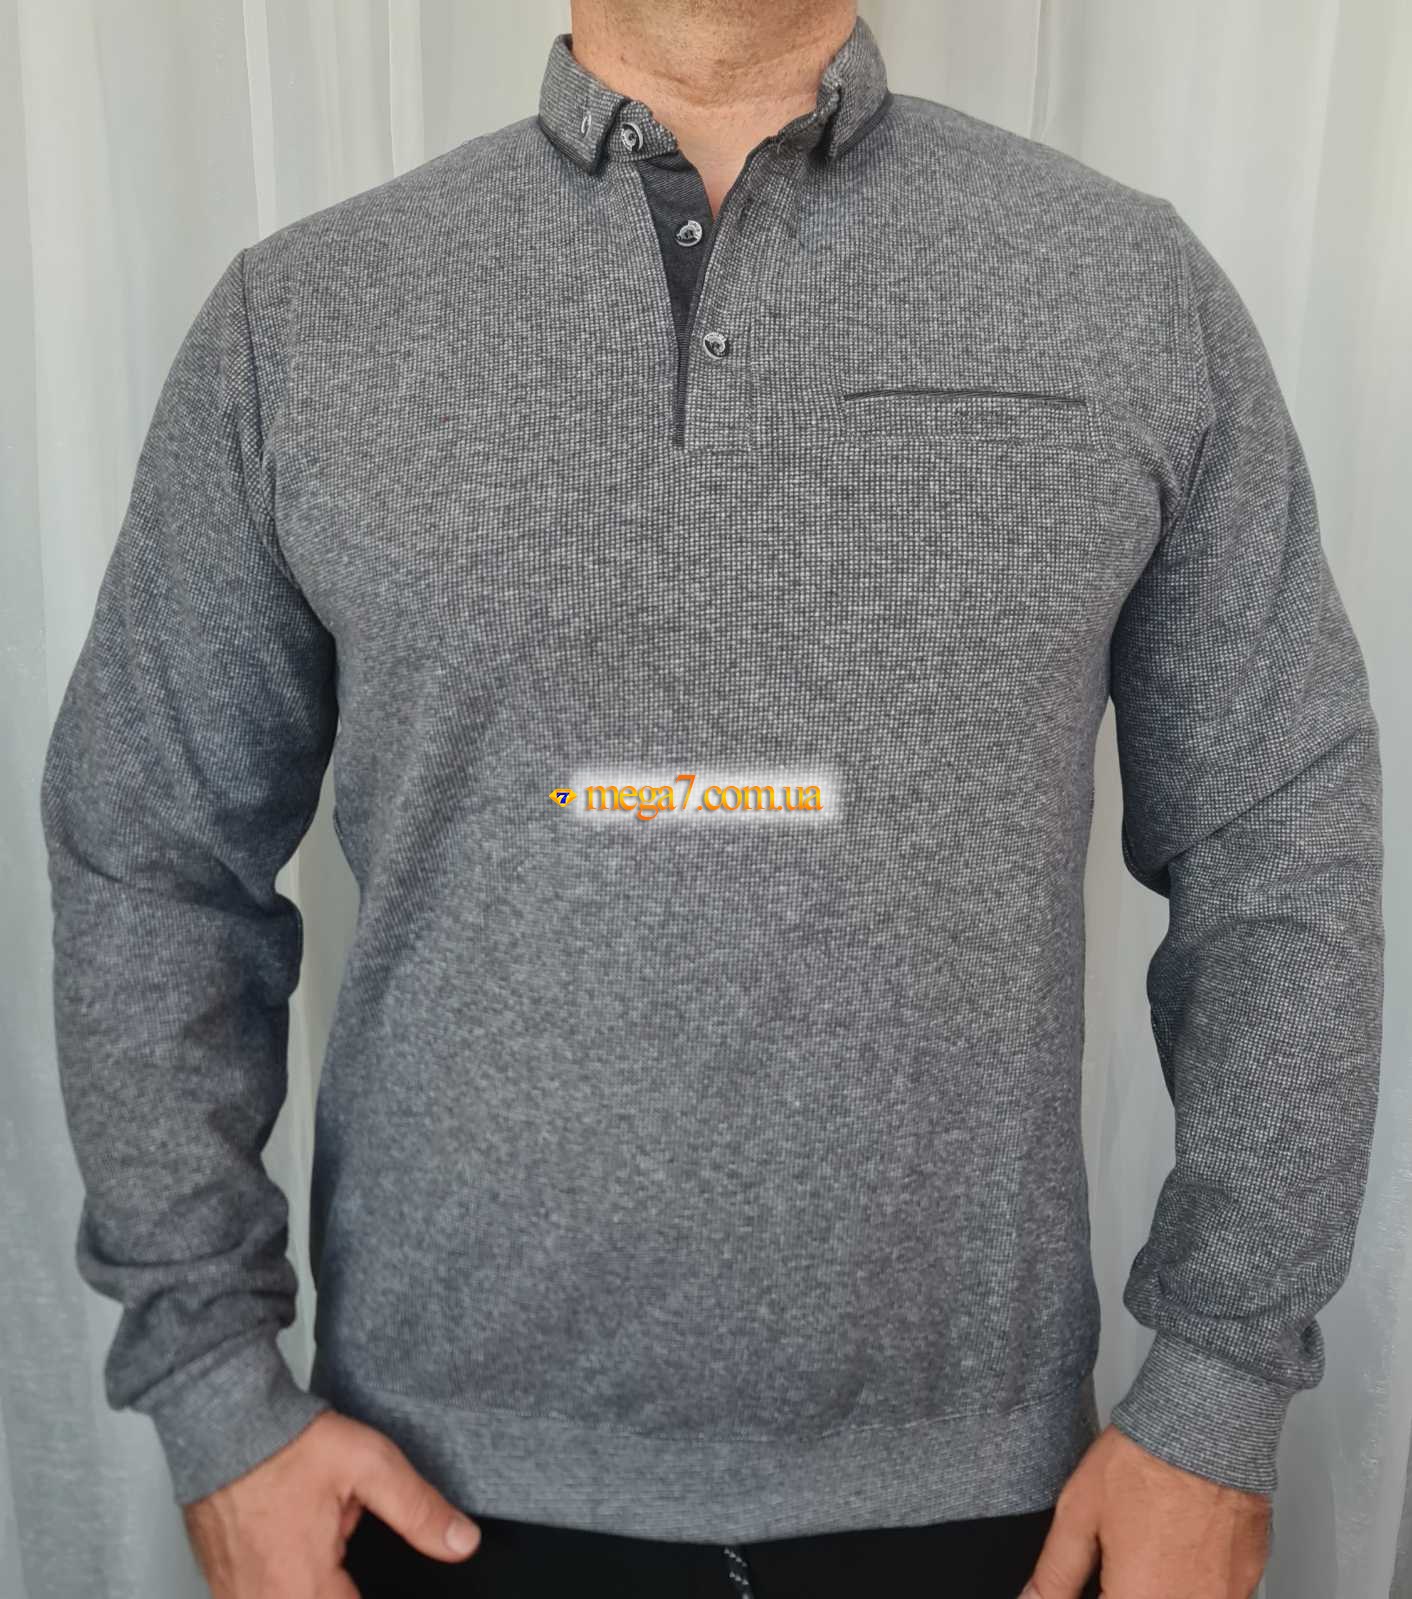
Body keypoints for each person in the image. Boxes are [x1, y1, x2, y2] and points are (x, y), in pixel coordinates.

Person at [39, 1, 1384, 1595]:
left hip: (982, 1508)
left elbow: (1282, 842)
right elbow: (153, 854)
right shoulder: (310, 315)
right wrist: (213, 1390)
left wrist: (1220, 1389)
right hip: (431, 1500)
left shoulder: (1124, 290)